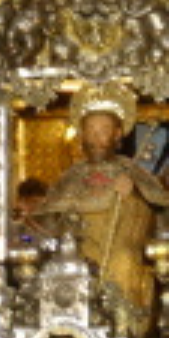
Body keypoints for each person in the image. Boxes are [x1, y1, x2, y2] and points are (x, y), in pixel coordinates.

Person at [37, 80, 169, 325]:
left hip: (121, 252)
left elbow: (159, 212)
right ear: (82, 133)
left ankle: (124, 332)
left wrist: (134, 195)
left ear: (117, 133)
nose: (97, 138)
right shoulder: (70, 177)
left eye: (104, 130)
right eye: (91, 130)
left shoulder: (132, 172)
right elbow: (48, 220)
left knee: (124, 261)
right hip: (78, 253)